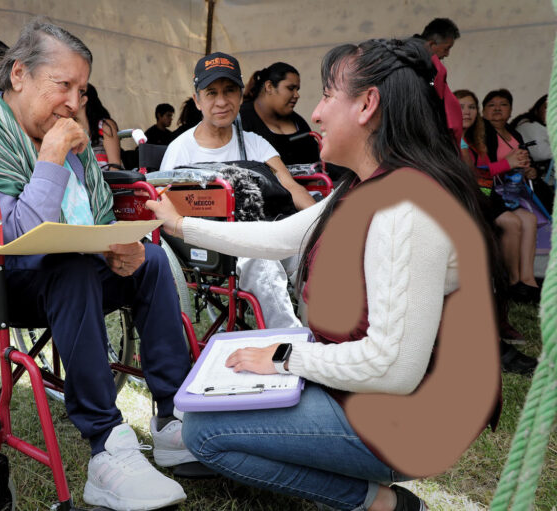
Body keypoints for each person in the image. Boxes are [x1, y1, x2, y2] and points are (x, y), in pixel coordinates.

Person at [148, 37, 501, 511]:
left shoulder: (406, 208)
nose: (313, 112)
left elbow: (392, 368)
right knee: (209, 410)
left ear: (367, 105)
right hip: (371, 394)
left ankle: (378, 501)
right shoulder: (368, 184)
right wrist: (182, 225)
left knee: (204, 433)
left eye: (327, 95)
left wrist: (283, 356)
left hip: (408, 418)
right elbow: (285, 235)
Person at [0, 21, 192, 511]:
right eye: (63, 85)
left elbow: (94, 220)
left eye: (81, 90)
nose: (74, 102)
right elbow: (18, 238)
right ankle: (107, 448)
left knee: (148, 261)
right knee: (72, 270)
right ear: (18, 74)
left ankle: (172, 420)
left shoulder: (65, 140)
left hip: (52, 273)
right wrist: (51, 157)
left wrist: (116, 247)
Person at [161, 51, 316, 329]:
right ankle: (289, 344)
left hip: (264, 231)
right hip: (206, 245)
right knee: (259, 256)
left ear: (241, 95)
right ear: (197, 100)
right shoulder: (180, 150)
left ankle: (323, 333)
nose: (221, 101)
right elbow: (164, 209)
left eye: (229, 90)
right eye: (211, 93)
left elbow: (291, 187)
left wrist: (322, 222)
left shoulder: (256, 144)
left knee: (311, 251)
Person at [455, 89, 539, 374]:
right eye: (460, 106)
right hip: (468, 205)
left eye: (470, 107)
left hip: (484, 200)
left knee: (521, 221)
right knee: (507, 228)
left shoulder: (477, 139)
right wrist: (508, 164)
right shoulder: (451, 138)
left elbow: (482, 176)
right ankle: (509, 288)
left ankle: (518, 284)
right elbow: (471, 176)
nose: (466, 112)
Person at [478, 88, 541, 302]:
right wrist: (509, 163)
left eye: (503, 104)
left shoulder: (514, 134)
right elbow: (481, 169)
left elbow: (521, 162)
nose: (497, 109)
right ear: (483, 111)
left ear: (511, 110)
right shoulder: (482, 132)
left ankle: (528, 279)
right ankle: (513, 281)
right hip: (490, 191)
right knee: (514, 222)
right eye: (491, 105)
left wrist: (528, 170)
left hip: (511, 192)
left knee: (530, 219)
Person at [240, 62, 320, 165]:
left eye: (297, 90)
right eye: (291, 88)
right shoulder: (242, 118)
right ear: (269, 87)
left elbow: (315, 163)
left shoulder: (298, 122)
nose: (297, 95)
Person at [76, 83, 122, 169]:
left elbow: (114, 165)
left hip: (105, 180)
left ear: (83, 100)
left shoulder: (105, 126)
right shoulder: (68, 127)